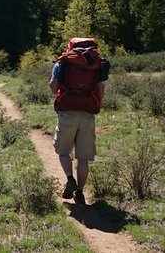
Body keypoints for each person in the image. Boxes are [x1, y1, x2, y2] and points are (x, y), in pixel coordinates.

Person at [48, 38, 109, 206]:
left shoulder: (64, 62)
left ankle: (70, 179)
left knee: (63, 151)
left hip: (67, 110)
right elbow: (101, 88)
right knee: (83, 158)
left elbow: (53, 86)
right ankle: (80, 192)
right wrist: (94, 103)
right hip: (87, 112)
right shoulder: (96, 63)